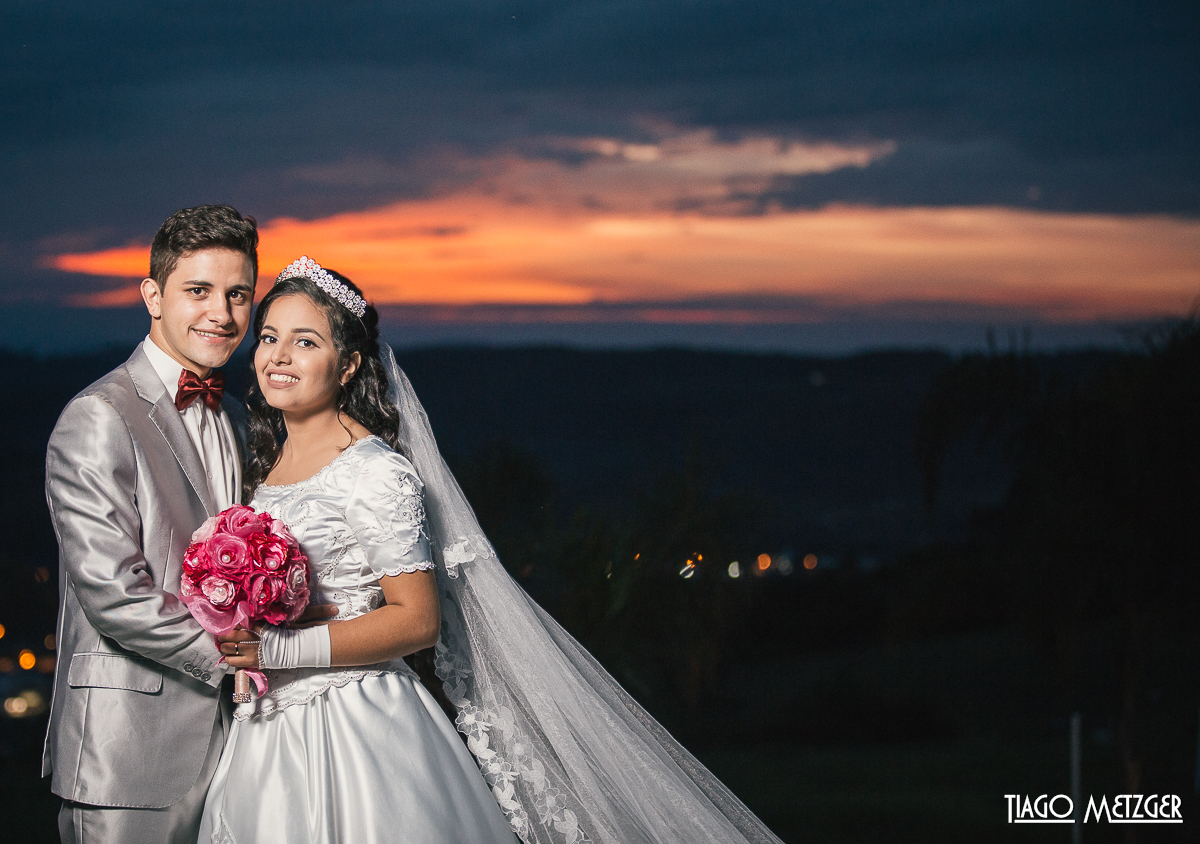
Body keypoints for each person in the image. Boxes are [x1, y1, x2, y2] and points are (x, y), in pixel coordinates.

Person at [203, 257, 785, 844]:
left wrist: (281, 646)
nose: (278, 357)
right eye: (270, 338)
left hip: (352, 729)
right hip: (265, 731)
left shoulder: (374, 471)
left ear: (349, 364)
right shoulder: (262, 467)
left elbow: (418, 619)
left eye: (305, 342)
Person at [44, 205, 257, 844]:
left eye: (237, 294)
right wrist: (239, 658)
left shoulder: (243, 419)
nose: (221, 313)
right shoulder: (98, 415)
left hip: (242, 747)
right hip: (127, 753)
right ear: (152, 297)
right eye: (198, 291)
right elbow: (114, 593)